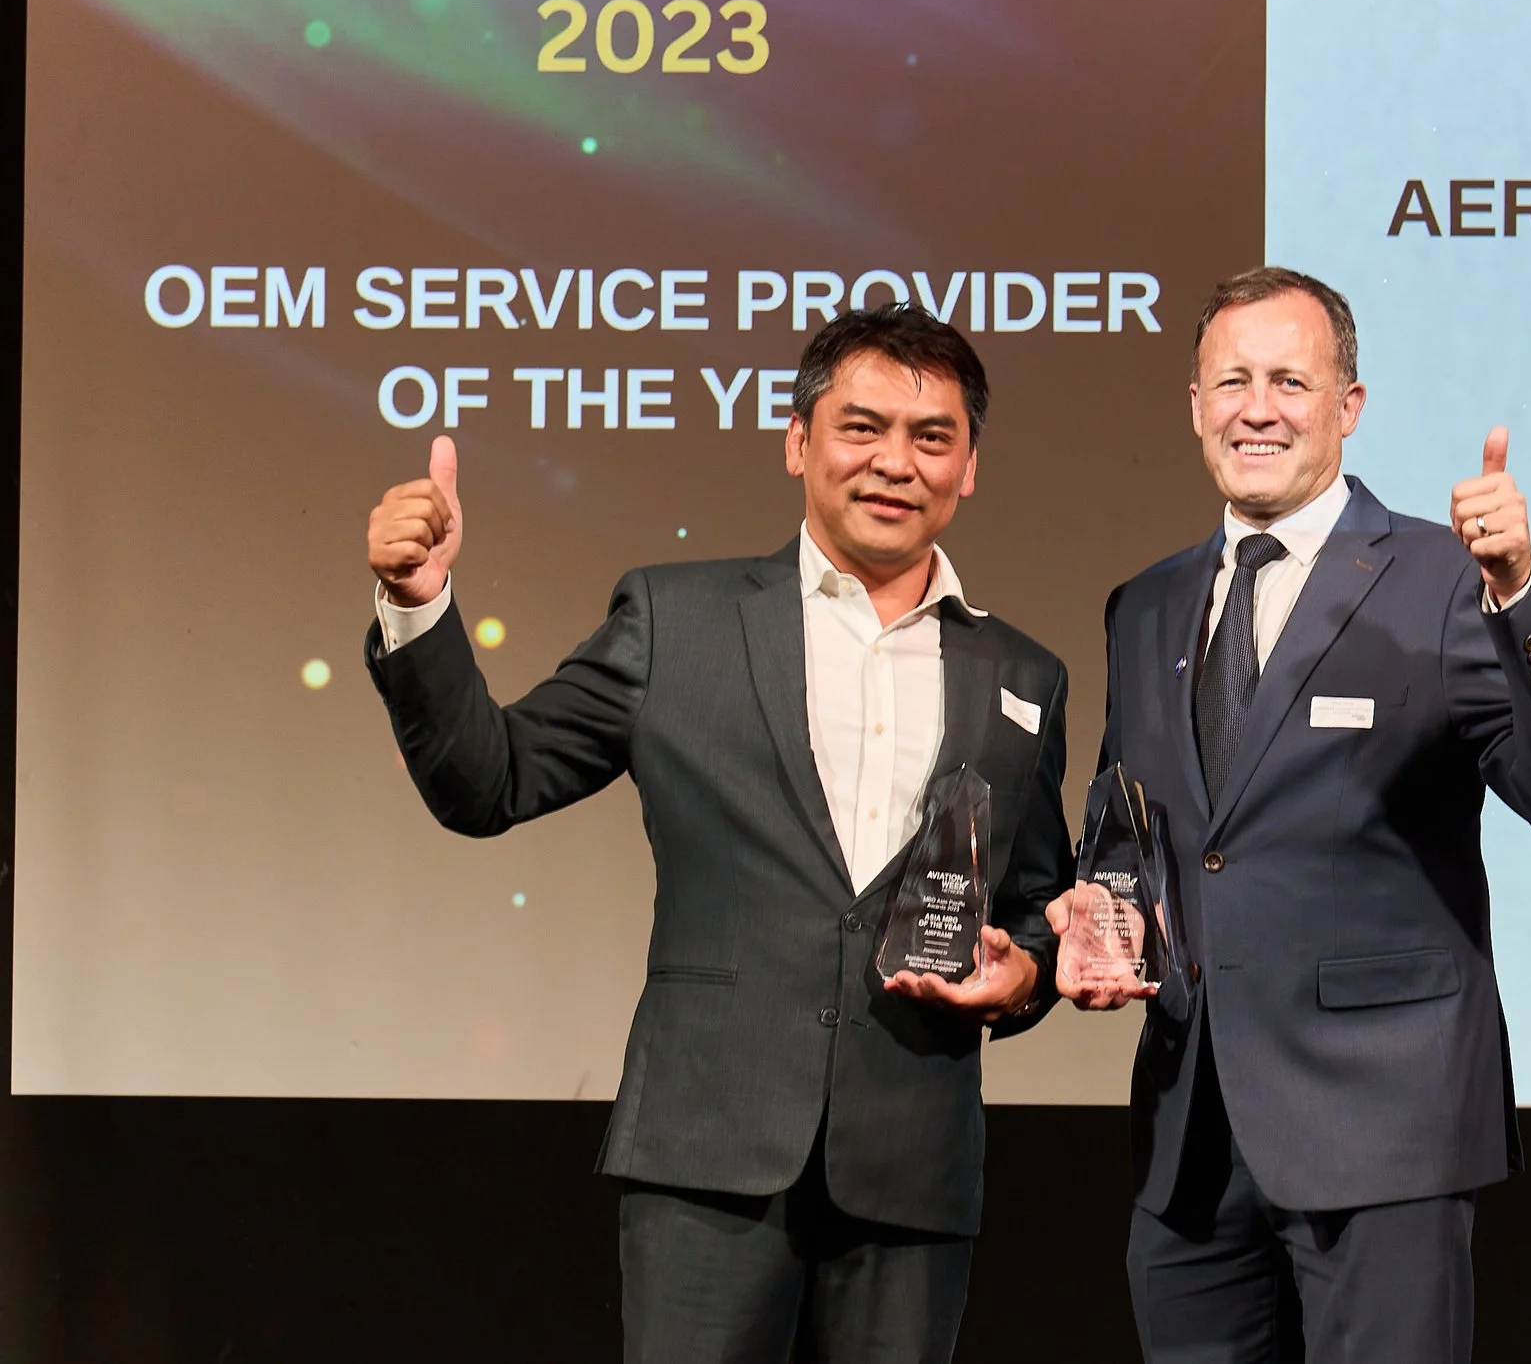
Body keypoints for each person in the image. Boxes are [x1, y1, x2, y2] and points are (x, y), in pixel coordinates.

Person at [363, 305, 1074, 1364]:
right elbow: (490, 781)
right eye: (861, 426)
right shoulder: (675, 619)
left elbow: (1034, 904)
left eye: (932, 437)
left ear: (967, 467)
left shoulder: (1022, 674)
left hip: (913, 1173)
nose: (895, 462)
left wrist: (1023, 977)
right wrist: (418, 605)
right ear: (798, 441)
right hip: (706, 1155)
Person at [1051, 268, 1531, 1364]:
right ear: (1194, 405)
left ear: (1347, 405)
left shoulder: (1444, 578)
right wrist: (1101, 914)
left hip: (1383, 1132)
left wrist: (1518, 588)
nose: (1256, 408)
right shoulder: (1147, 603)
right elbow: (1130, 826)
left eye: (1289, 380)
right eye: (1232, 381)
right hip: (1189, 1138)